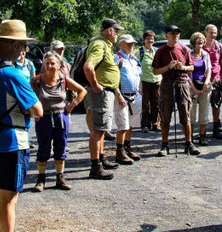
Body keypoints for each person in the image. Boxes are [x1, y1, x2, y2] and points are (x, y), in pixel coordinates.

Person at [0, 20, 43, 232]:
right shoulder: (12, 73)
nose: (24, 50)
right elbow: (37, 110)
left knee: (0, 194)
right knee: (9, 198)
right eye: (23, 45)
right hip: (12, 142)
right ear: (16, 44)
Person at [31, 52, 86, 192]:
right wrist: (33, 112)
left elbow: (82, 91)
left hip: (61, 117)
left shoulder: (64, 79)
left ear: (59, 65)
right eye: (47, 63)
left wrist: (72, 105)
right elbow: (27, 97)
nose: (49, 66)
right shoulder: (37, 80)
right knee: (43, 148)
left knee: (60, 147)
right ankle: (41, 179)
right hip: (43, 119)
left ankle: (60, 178)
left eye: (52, 63)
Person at [84, 18, 125, 179]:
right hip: (101, 93)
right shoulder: (99, 44)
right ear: (109, 31)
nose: (117, 34)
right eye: (116, 31)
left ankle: (100, 160)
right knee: (98, 129)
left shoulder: (105, 45)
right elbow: (88, 66)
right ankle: (95, 167)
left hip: (106, 92)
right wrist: (95, 85)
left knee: (101, 130)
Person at [152, 25, 199, 156]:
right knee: (165, 115)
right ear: (166, 35)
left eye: (177, 34)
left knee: (185, 114)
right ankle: (164, 145)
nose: (175, 36)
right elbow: (155, 70)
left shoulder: (184, 49)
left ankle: (189, 143)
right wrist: (168, 67)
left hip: (182, 83)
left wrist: (183, 67)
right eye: (172, 34)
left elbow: (192, 67)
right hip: (167, 84)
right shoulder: (161, 51)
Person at [114, 34, 143, 165]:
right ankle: (119, 152)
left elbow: (140, 76)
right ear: (121, 44)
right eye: (128, 43)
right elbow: (112, 79)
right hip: (122, 96)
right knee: (123, 126)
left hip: (134, 96)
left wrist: (140, 93)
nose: (131, 45)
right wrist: (118, 95)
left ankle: (127, 147)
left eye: (132, 43)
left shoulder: (134, 59)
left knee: (130, 124)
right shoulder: (116, 58)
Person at [203, 24, 222, 139]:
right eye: (211, 32)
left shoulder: (219, 46)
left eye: (215, 33)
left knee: (216, 105)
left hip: (216, 79)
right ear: (205, 32)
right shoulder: (200, 46)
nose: (213, 35)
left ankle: (216, 129)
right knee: (202, 105)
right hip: (203, 80)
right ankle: (201, 131)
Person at [188, 32, 212, 146]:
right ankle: (190, 137)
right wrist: (194, 88)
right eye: (198, 39)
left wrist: (206, 83)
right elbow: (187, 74)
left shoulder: (206, 55)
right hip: (192, 87)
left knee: (204, 113)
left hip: (204, 87)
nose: (201, 40)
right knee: (191, 114)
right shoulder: (189, 54)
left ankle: (202, 136)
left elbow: (208, 70)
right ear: (194, 41)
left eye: (202, 39)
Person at [139, 30, 161, 133]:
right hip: (145, 81)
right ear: (144, 40)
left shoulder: (157, 51)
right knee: (145, 104)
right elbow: (136, 68)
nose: (150, 40)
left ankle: (156, 124)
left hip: (156, 81)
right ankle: (145, 125)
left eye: (152, 38)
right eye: (148, 38)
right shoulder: (140, 52)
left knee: (156, 104)